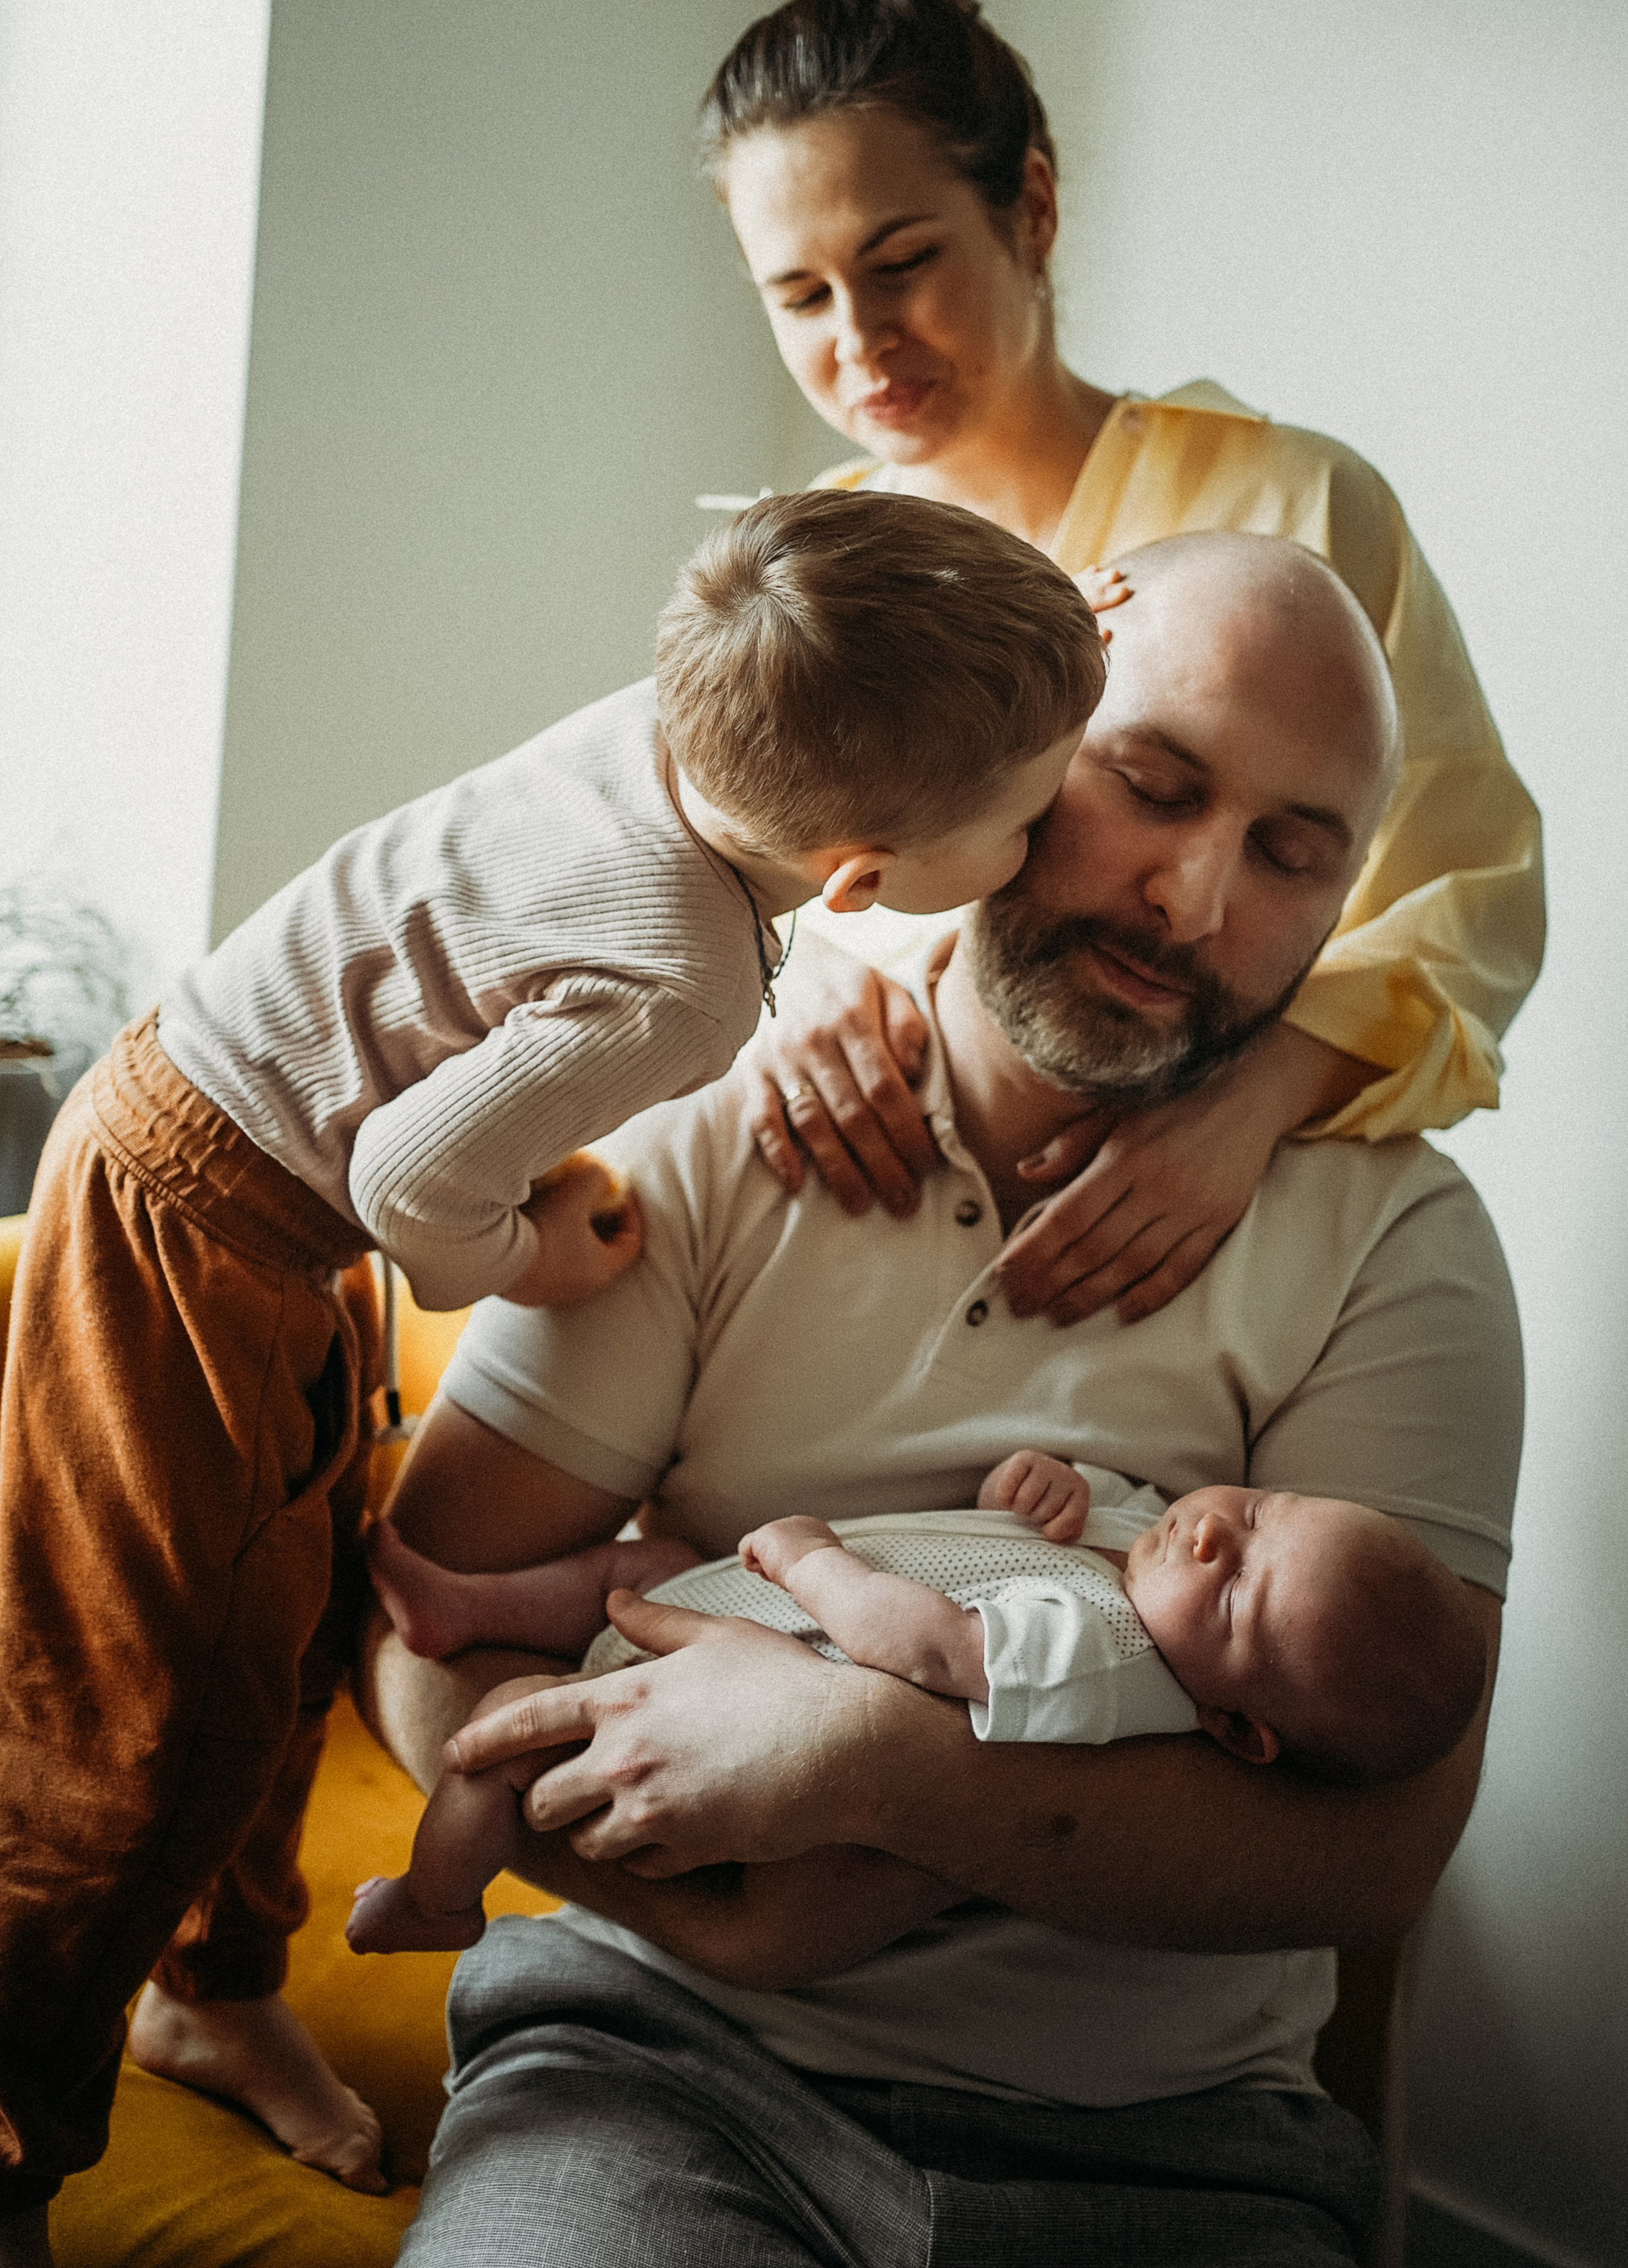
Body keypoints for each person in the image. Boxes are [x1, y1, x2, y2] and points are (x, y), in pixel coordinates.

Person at [357, 532, 1523, 2265]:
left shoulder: (1401, 1243)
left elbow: (1373, 1859)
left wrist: (878, 1777)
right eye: (1153, 782)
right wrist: (718, 1909)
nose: (1194, 901)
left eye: (1292, 853)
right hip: (652, 2069)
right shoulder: (708, 1122)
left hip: (1179, 2150)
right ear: (1027, 746)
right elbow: (422, 1636)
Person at [0, 488, 1100, 2264]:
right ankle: (14, 2138)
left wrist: (1035, 625)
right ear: (859, 886)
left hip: (249, 1188)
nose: (1054, 833)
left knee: (273, 1637)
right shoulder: (681, 983)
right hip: (211, 1221)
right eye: (1034, 809)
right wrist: (528, 1255)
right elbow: (410, 1185)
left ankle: (205, 1986)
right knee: (130, 1716)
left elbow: (818, 594)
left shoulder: (690, 711)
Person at [707, 0, 1542, 1330]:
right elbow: (698, 869)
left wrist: (1250, 1108)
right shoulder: (805, 574)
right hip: (843, 1251)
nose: (861, 342)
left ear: (1027, 207)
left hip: (1190, 1265)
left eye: (902, 264)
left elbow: (1467, 901)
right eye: (800, 296)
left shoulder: (1299, 509)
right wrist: (781, 993)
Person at [348, 1452, 1485, 1958]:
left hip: (714, 1698)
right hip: (713, 1610)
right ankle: (463, 1603)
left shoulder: (1111, 1658)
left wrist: (811, 1565)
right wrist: (1030, 1488)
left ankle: (437, 1895)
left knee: (508, 1738)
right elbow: (996, 1541)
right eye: (1265, 1508)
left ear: (1238, 1729)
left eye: (1236, 1588)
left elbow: (936, 1649)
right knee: (653, 1563)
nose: (1209, 1532)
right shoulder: (1154, 1556)